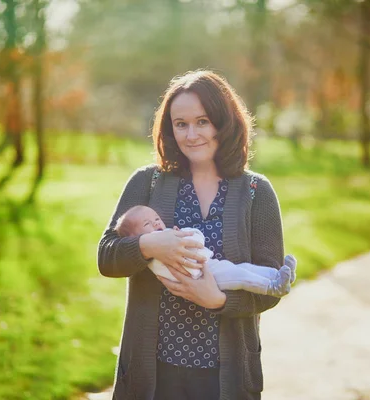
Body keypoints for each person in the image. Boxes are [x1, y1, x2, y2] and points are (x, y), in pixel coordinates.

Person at [98, 70, 286, 400]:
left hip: (223, 379)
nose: (191, 134)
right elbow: (106, 257)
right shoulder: (148, 182)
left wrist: (217, 300)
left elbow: (271, 286)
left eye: (203, 121)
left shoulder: (257, 192)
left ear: (224, 122)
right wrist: (150, 244)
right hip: (154, 374)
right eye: (180, 123)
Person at [114, 205, 296, 297]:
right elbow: (198, 242)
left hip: (211, 266)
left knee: (245, 268)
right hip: (203, 276)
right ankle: (272, 286)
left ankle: (277, 275)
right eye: (147, 224)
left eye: (156, 218)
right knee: (241, 277)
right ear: (136, 239)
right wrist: (189, 235)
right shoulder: (153, 256)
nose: (155, 223)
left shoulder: (167, 236)